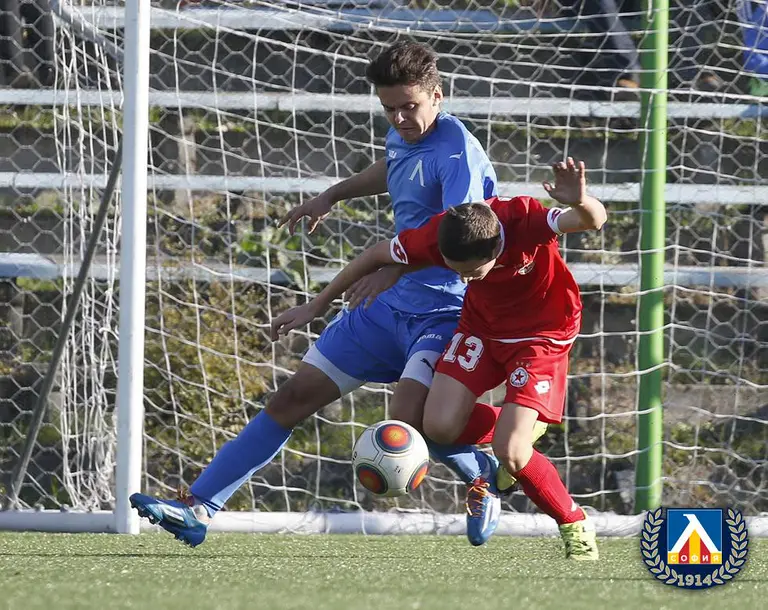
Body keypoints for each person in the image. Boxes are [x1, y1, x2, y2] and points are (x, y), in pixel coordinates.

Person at [130, 41, 507, 547]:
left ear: (437, 97)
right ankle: (197, 508)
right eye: (389, 108)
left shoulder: (458, 150)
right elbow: (394, 167)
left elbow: (466, 235)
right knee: (292, 398)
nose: (399, 118)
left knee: (414, 422)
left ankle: (483, 475)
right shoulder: (405, 134)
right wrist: (332, 194)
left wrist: (394, 270)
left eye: (409, 106)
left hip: (443, 311)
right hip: (387, 307)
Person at [272, 157, 606, 560]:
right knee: (437, 426)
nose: (464, 279)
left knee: (514, 453)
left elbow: (592, 219)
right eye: (456, 270)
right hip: (481, 329)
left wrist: (580, 200)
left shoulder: (523, 219)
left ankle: (573, 523)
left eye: (473, 273)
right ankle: (515, 427)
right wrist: (317, 305)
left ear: (497, 247)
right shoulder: (439, 232)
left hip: (540, 336)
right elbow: (375, 255)